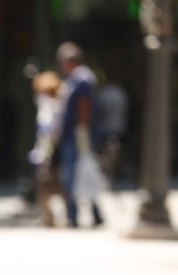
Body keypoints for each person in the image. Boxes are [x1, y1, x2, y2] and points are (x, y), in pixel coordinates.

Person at [55, 41, 106, 228]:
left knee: (76, 175)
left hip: (78, 135)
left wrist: (82, 132)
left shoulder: (82, 78)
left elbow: (84, 106)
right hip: (75, 134)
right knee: (82, 174)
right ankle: (88, 213)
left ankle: (75, 215)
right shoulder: (76, 78)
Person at [28, 70, 65, 227]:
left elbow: (49, 131)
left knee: (47, 185)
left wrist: (43, 151)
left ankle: (51, 217)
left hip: (50, 151)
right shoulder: (51, 106)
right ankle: (48, 217)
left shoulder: (52, 107)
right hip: (49, 150)